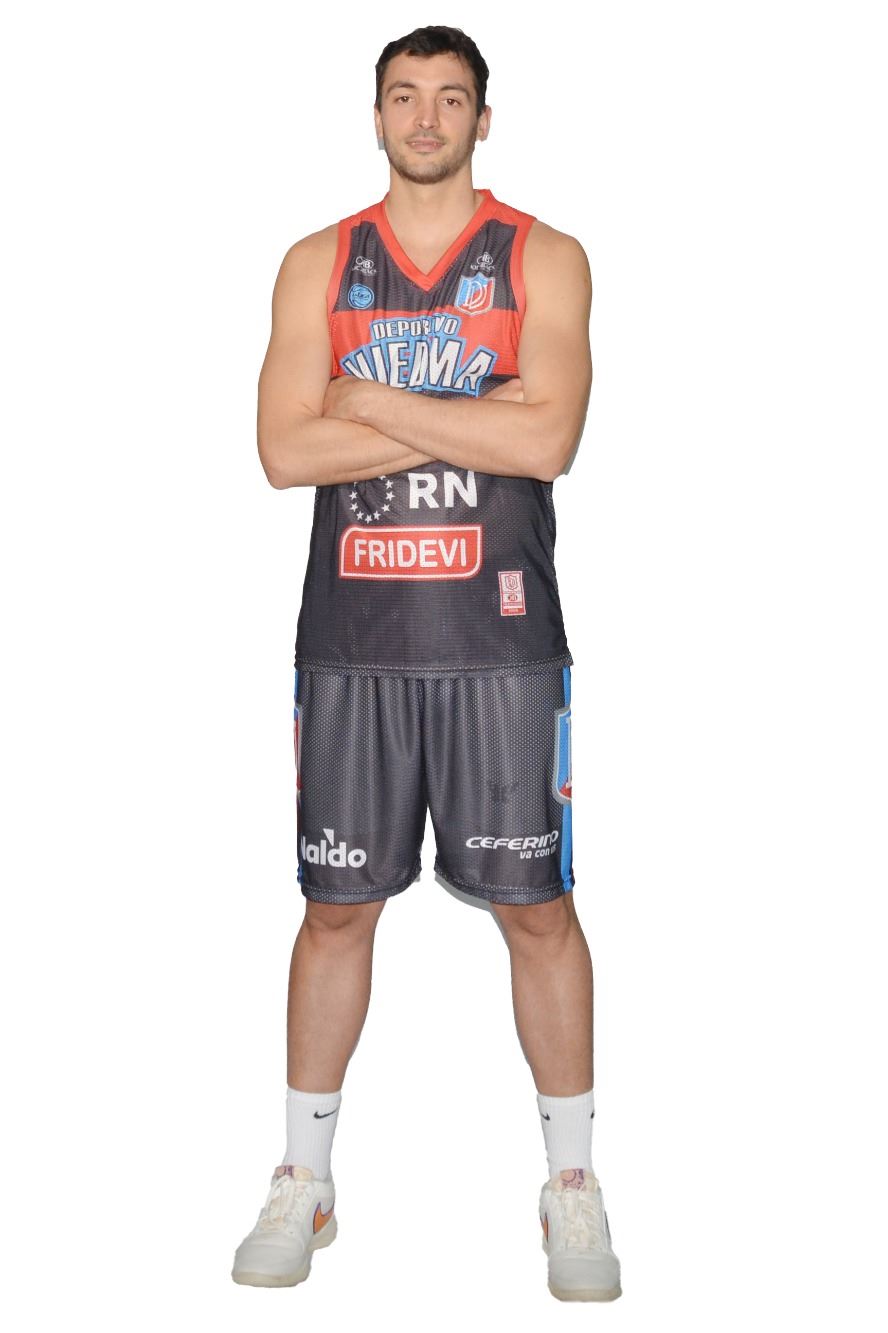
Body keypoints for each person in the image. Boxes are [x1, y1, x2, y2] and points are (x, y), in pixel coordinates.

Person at [231, 24, 621, 1303]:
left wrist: (366, 401)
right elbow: (283, 452)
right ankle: (304, 1177)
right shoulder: (318, 262)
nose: (427, 118)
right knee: (334, 909)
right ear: (377, 115)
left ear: (483, 120)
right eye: (405, 97)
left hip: (502, 641)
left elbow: (549, 438)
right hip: (354, 642)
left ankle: (572, 1182)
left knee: (538, 910)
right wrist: (472, 415)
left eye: (451, 99)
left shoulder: (545, 256)